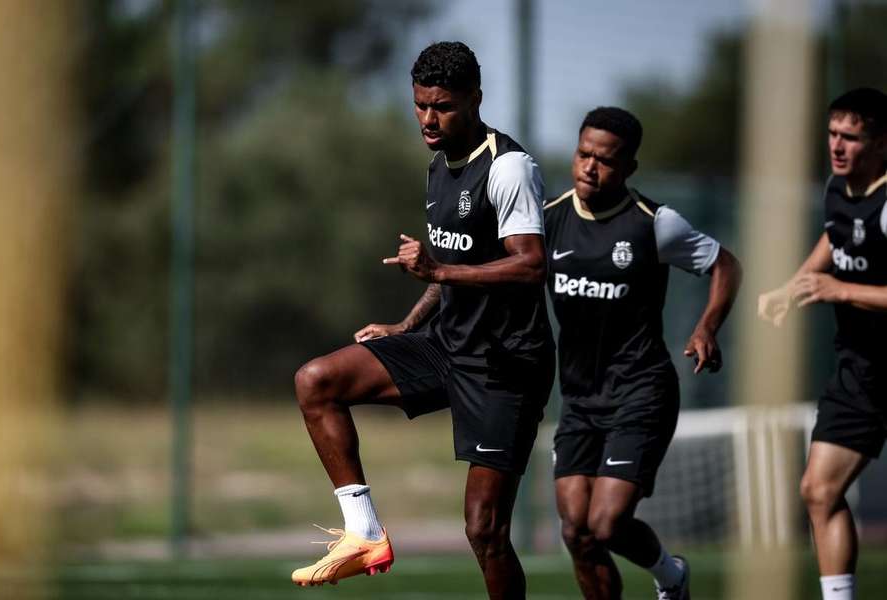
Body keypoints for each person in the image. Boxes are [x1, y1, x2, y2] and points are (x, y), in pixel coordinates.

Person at [291, 41, 555, 599]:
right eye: (420, 105)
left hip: (505, 364)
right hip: (444, 344)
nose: (429, 120)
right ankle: (363, 532)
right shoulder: (439, 168)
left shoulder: (508, 167)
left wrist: (438, 268)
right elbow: (448, 270)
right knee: (317, 380)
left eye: (443, 107)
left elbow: (530, 265)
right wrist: (407, 326)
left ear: (475, 99)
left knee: (484, 530)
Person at [544, 106, 742, 600]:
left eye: (605, 160)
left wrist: (706, 327)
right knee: (577, 533)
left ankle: (670, 576)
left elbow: (725, 264)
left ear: (629, 167)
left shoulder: (655, 223)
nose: (590, 167)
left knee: (607, 523)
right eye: (583, 154)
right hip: (580, 399)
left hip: (641, 391)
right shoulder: (550, 219)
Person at [758, 87, 887, 600]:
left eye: (851, 137)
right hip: (860, 371)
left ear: (881, 145)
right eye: (833, 133)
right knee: (819, 489)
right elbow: (836, 239)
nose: (837, 145)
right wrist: (794, 287)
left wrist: (841, 290)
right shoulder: (838, 187)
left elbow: (844, 276)